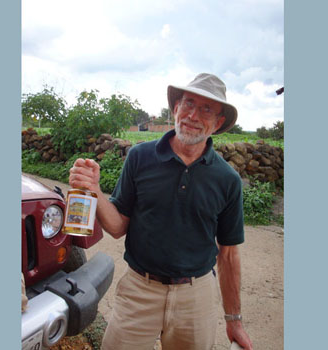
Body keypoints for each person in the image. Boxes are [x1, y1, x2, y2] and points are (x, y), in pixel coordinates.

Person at [69, 73, 253, 350]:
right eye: (188, 103)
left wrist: (234, 319)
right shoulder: (140, 157)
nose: (192, 114)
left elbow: (228, 254)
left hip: (196, 297)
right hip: (139, 291)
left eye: (206, 109)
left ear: (218, 123)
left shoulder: (227, 180)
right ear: (175, 108)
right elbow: (118, 227)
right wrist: (94, 190)